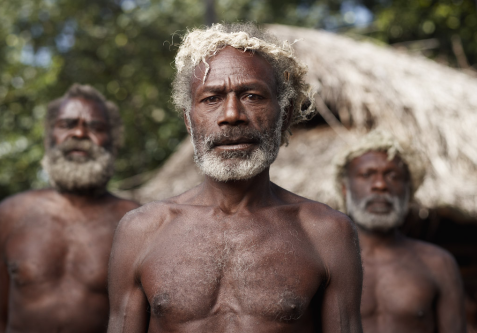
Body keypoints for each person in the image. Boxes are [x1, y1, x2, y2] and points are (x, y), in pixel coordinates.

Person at [108, 23, 363, 333]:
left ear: (284, 114)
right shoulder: (141, 230)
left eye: (252, 95)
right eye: (211, 98)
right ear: (189, 121)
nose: (232, 114)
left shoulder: (326, 232)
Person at [0, 84, 140, 333]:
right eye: (67, 124)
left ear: (113, 142)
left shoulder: (134, 221)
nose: (79, 133)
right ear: (50, 137)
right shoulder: (10, 215)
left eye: (95, 127)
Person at [334, 130, 467, 333]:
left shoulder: (438, 263)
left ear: (408, 189)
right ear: (345, 189)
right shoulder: (325, 262)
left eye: (393, 175)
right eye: (367, 174)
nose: (380, 185)